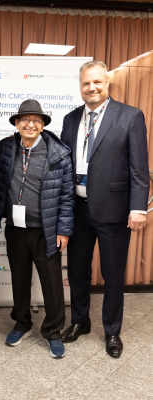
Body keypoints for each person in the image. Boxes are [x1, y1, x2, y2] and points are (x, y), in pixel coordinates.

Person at [60, 60, 149, 358]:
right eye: (86, 83)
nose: (92, 88)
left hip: (114, 210)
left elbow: (139, 169)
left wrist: (138, 208)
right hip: (77, 209)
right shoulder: (71, 119)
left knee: (112, 275)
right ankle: (80, 321)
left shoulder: (130, 116)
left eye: (97, 82)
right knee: (77, 271)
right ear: (80, 86)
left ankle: (112, 330)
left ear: (107, 84)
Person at [0, 99, 74, 358]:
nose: (30, 124)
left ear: (43, 125)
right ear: (16, 124)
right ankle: (22, 322)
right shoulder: (5, 148)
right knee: (18, 278)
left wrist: (64, 229)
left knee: (52, 283)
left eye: (36, 120)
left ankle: (52, 331)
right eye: (25, 120)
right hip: (16, 228)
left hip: (46, 229)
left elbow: (66, 196)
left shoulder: (58, 153)